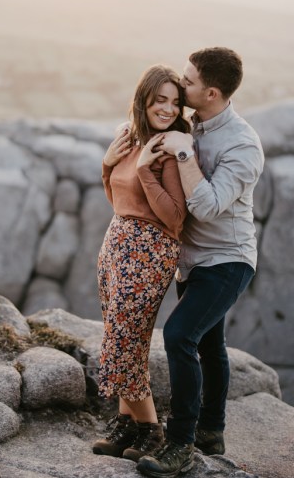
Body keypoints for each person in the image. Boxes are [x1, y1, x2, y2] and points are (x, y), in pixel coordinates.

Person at [137, 47, 265, 478]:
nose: (182, 82)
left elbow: (208, 207)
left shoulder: (243, 146)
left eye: (188, 81)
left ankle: (180, 444)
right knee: (210, 345)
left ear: (210, 92)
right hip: (191, 260)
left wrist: (185, 153)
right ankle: (212, 430)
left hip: (227, 260)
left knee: (178, 335)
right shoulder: (194, 122)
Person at [92, 64, 191, 462]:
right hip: (116, 245)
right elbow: (119, 199)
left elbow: (175, 218)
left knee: (125, 341)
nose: (168, 108)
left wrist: (147, 170)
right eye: (160, 100)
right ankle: (126, 425)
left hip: (150, 250)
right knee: (120, 336)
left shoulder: (171, 147)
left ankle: (151, 430)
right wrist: (107, 163)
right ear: (144, 99)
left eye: (175, 101)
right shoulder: (128, 136)